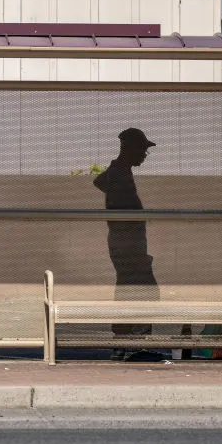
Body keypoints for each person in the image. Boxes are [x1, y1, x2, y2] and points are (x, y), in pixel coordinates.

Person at [94, 127, 159, 338]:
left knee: (127, 286)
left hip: (126, 241)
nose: (144, 155)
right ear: (130, 149)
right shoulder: (120, 172)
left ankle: (123, 337)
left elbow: (99, 181)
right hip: (127, 242)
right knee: (143, 289)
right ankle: (135, 338)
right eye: (142, 149)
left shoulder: (119, 170)